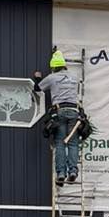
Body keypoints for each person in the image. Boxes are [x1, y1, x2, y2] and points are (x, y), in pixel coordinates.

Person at [35, 47, 84, 184]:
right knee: (73, 144)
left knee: (61, 144)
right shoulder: (75, 78)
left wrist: (37, 78)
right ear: (64, 65)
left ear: (53, 68)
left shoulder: (52, 78)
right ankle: (73, 171)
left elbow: (37, 89)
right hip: (74, 112)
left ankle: (61, 173)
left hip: (59, 112)